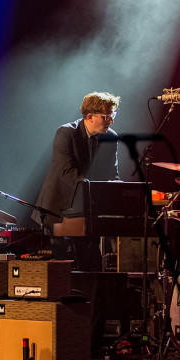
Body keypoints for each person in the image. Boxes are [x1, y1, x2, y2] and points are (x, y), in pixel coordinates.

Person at [31, 92, 121, 267]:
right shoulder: (66, 133)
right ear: (89, 116)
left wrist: (119, 191)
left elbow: (112, 173)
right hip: (58, 210)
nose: (111, 121)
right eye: (106, 116)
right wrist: (95, 191)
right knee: (61, 268)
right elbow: (67, 172)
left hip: (87, 209)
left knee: (91, 264)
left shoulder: (111, 137)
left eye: (113, 116)